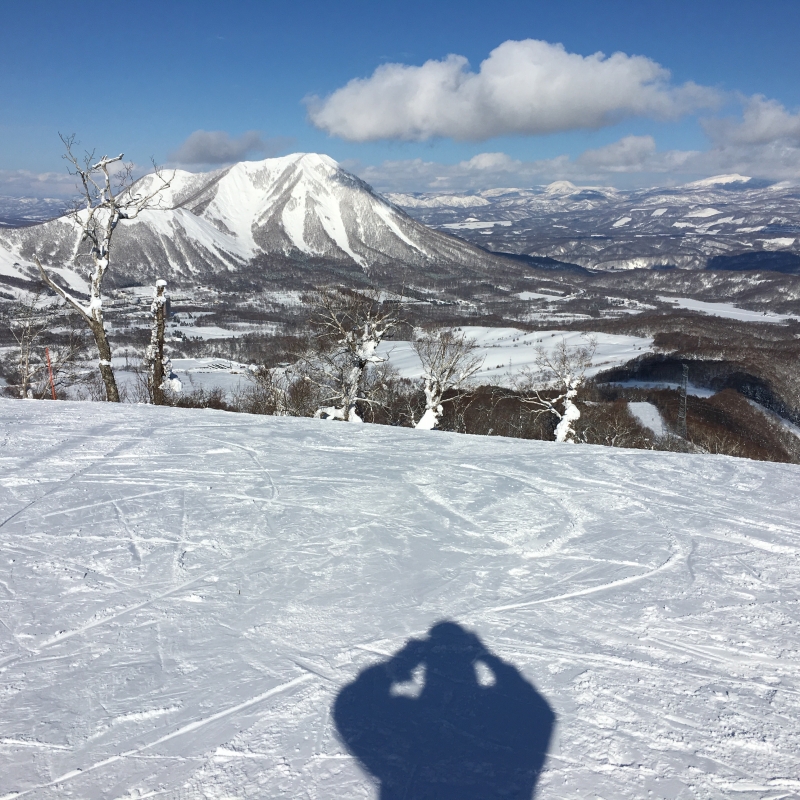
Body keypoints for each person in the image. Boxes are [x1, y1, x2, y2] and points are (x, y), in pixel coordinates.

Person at [334, 621, 554, 800]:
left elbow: (350, 708)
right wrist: (494, 663)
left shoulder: (409, 730)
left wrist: (393, 668)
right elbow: (540, 715)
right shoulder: (498, 722)